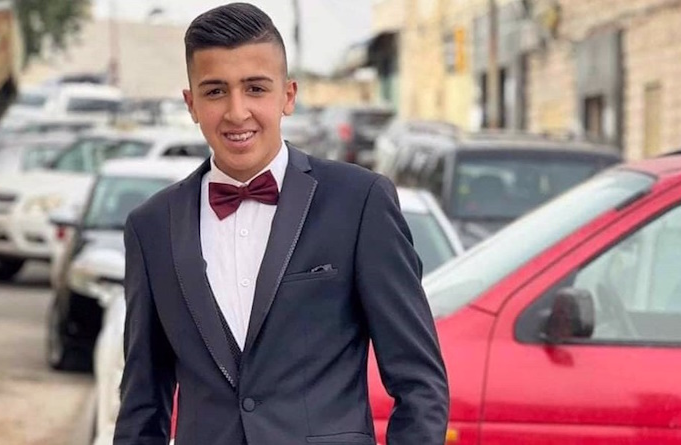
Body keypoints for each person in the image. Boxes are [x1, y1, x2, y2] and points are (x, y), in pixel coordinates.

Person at [114, 3, 448, 445]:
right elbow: (142, 405)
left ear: (288, 96)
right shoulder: (152, 227)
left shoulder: (359, 202)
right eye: (215, 91)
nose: (237, 112)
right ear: (191, 103)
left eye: (255, 88)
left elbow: (419, 384)